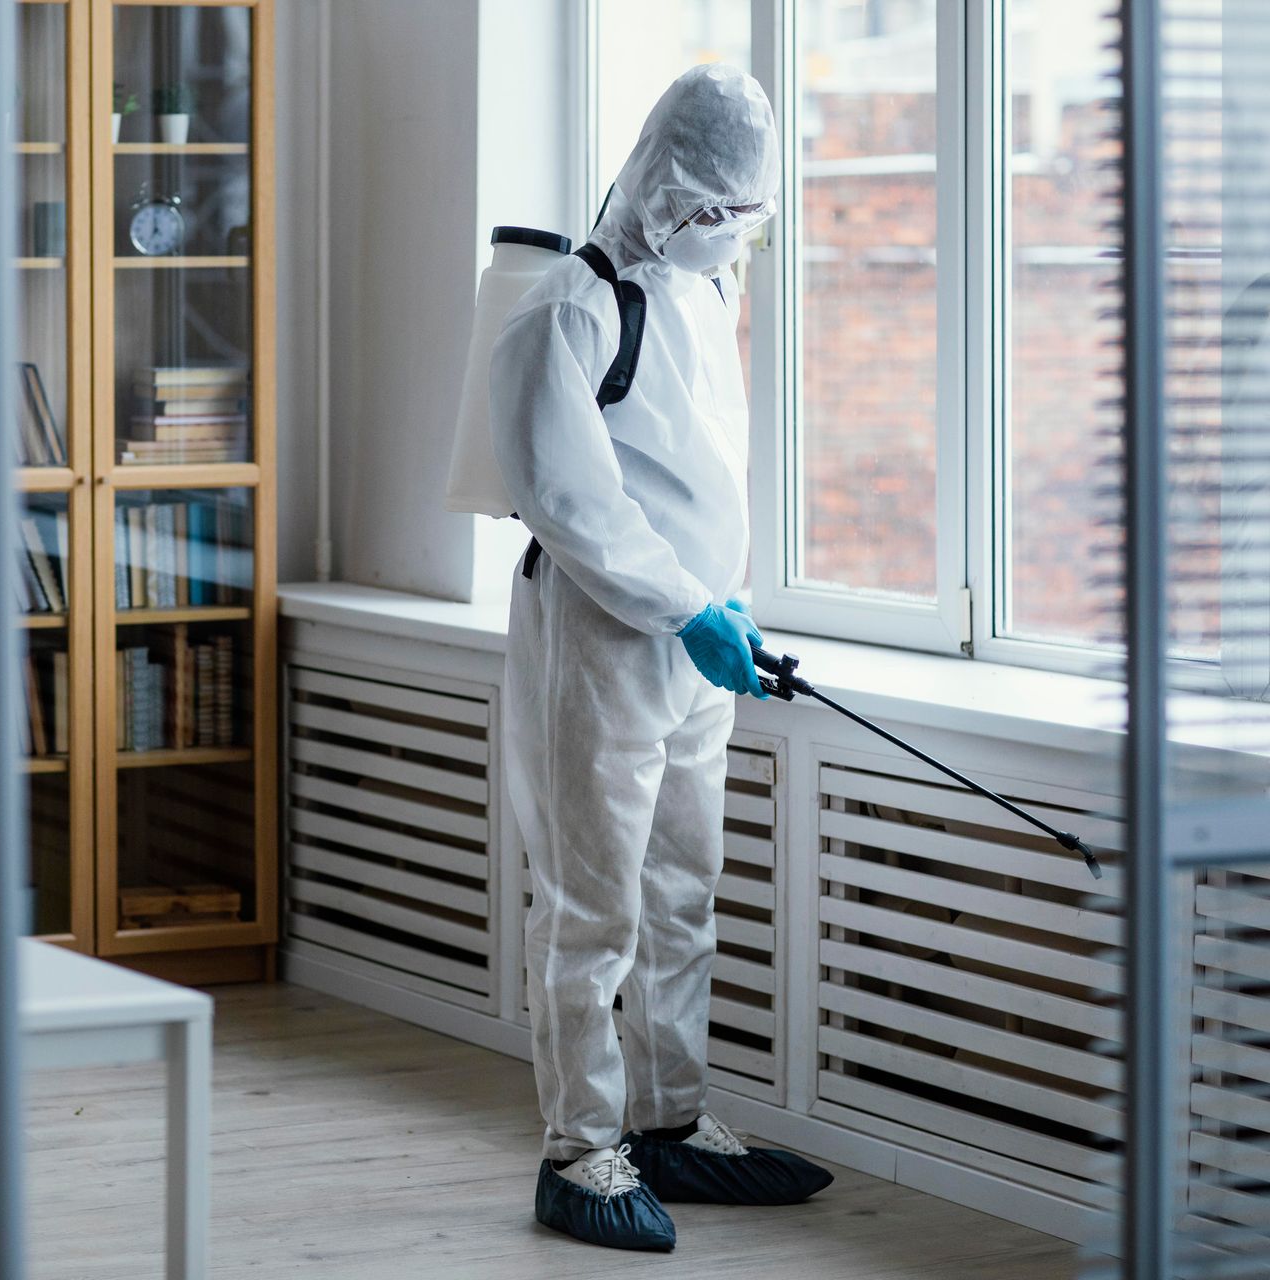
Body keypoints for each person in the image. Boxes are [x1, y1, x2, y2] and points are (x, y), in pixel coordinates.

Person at [489, 63, 833, 1252]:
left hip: (696, 643)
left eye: (741, 216)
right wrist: (686, 604)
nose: (722, 233)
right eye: (707, 211)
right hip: (600, 639)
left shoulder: (702, 292)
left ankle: (671, 1120)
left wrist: (721, 607)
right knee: (593, 902)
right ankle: (581, 1146)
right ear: (660, 182)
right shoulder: (569, 307)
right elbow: (570, 500)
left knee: (685, 888)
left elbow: (696, 470)